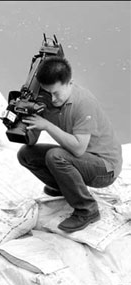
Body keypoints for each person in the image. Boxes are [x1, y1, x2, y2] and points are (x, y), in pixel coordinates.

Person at [17, 56, 123, 233]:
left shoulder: (83, 103)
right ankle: (64, 188)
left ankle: (87, 210)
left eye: (56, 93)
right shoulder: (47, 100)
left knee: (55, 156)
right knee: (25, 154)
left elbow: (78, 148)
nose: (52, 98)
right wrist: (24, 124)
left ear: (70, 83)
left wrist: (47, 126)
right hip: (81, 161)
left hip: (104, 167)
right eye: (47, 92)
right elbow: (33, 140)